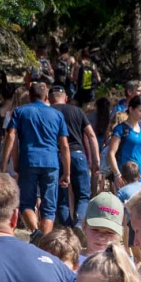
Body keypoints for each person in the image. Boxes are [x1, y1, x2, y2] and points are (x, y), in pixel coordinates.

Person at [0, 82, 69, 236]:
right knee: (49, 207)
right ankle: (43, 240)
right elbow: (64, 145)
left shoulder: (20, 112)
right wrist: (67, 172)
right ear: (46, 96)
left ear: (30, 96)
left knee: (26, 203)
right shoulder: (57, 115)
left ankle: (35, 231)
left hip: (29, 160)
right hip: (51, 163)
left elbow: (11, 136)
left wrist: (7, 164)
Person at [50, 85, 98, 228]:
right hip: (77, 154)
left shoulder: (48, 112)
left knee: (62, 197)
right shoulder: (77, 111)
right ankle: (78, 223)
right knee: (83, 195)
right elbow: (91, 135)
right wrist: (96, 160)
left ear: (49, 98)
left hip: (57, 156)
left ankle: (65, 227)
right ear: (66, 98)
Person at [109, 95, 141, 188]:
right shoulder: (121, 129)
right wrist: (117, 174)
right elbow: (111, 153)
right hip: (126, 178)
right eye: (140, 111)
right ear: (131, 109)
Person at [81, 192, 125, 259]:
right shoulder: (71, 262)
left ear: (119, 235)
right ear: (84, 227)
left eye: (109, 232)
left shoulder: (124, 265)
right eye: (95, 230)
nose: (101, 237)